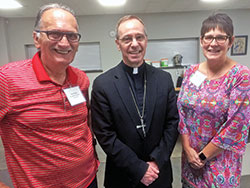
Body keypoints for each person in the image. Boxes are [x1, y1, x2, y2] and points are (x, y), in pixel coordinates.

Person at [0, 3, 99, 188]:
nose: (64, 43)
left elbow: (83, 125)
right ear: (36, 39)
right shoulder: (7, 79)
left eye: (72, 36)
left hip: (88, 181)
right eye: (54, 34)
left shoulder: (81, 79)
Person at [91, 15, 179, 188]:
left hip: (159, 175)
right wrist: (139, 169)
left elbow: (172, 123)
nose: (134, 44)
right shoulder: (103, 84)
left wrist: (155, 161)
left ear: (146, 40)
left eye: (139, 37)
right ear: (118, 44)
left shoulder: (164, 79)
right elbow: (105, 134)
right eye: (127, 39)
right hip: (122, 177)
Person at [177, 13, 250, 188]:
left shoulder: (240, 76)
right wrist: (187, 149)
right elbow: (181, 112)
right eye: (208, 37)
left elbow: (237, 124)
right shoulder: (191, 72)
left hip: (220, 166)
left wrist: (202, 156)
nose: (213, 43)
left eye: (220, 38)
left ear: (231, 41)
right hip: (190, 162)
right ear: (202, 40)